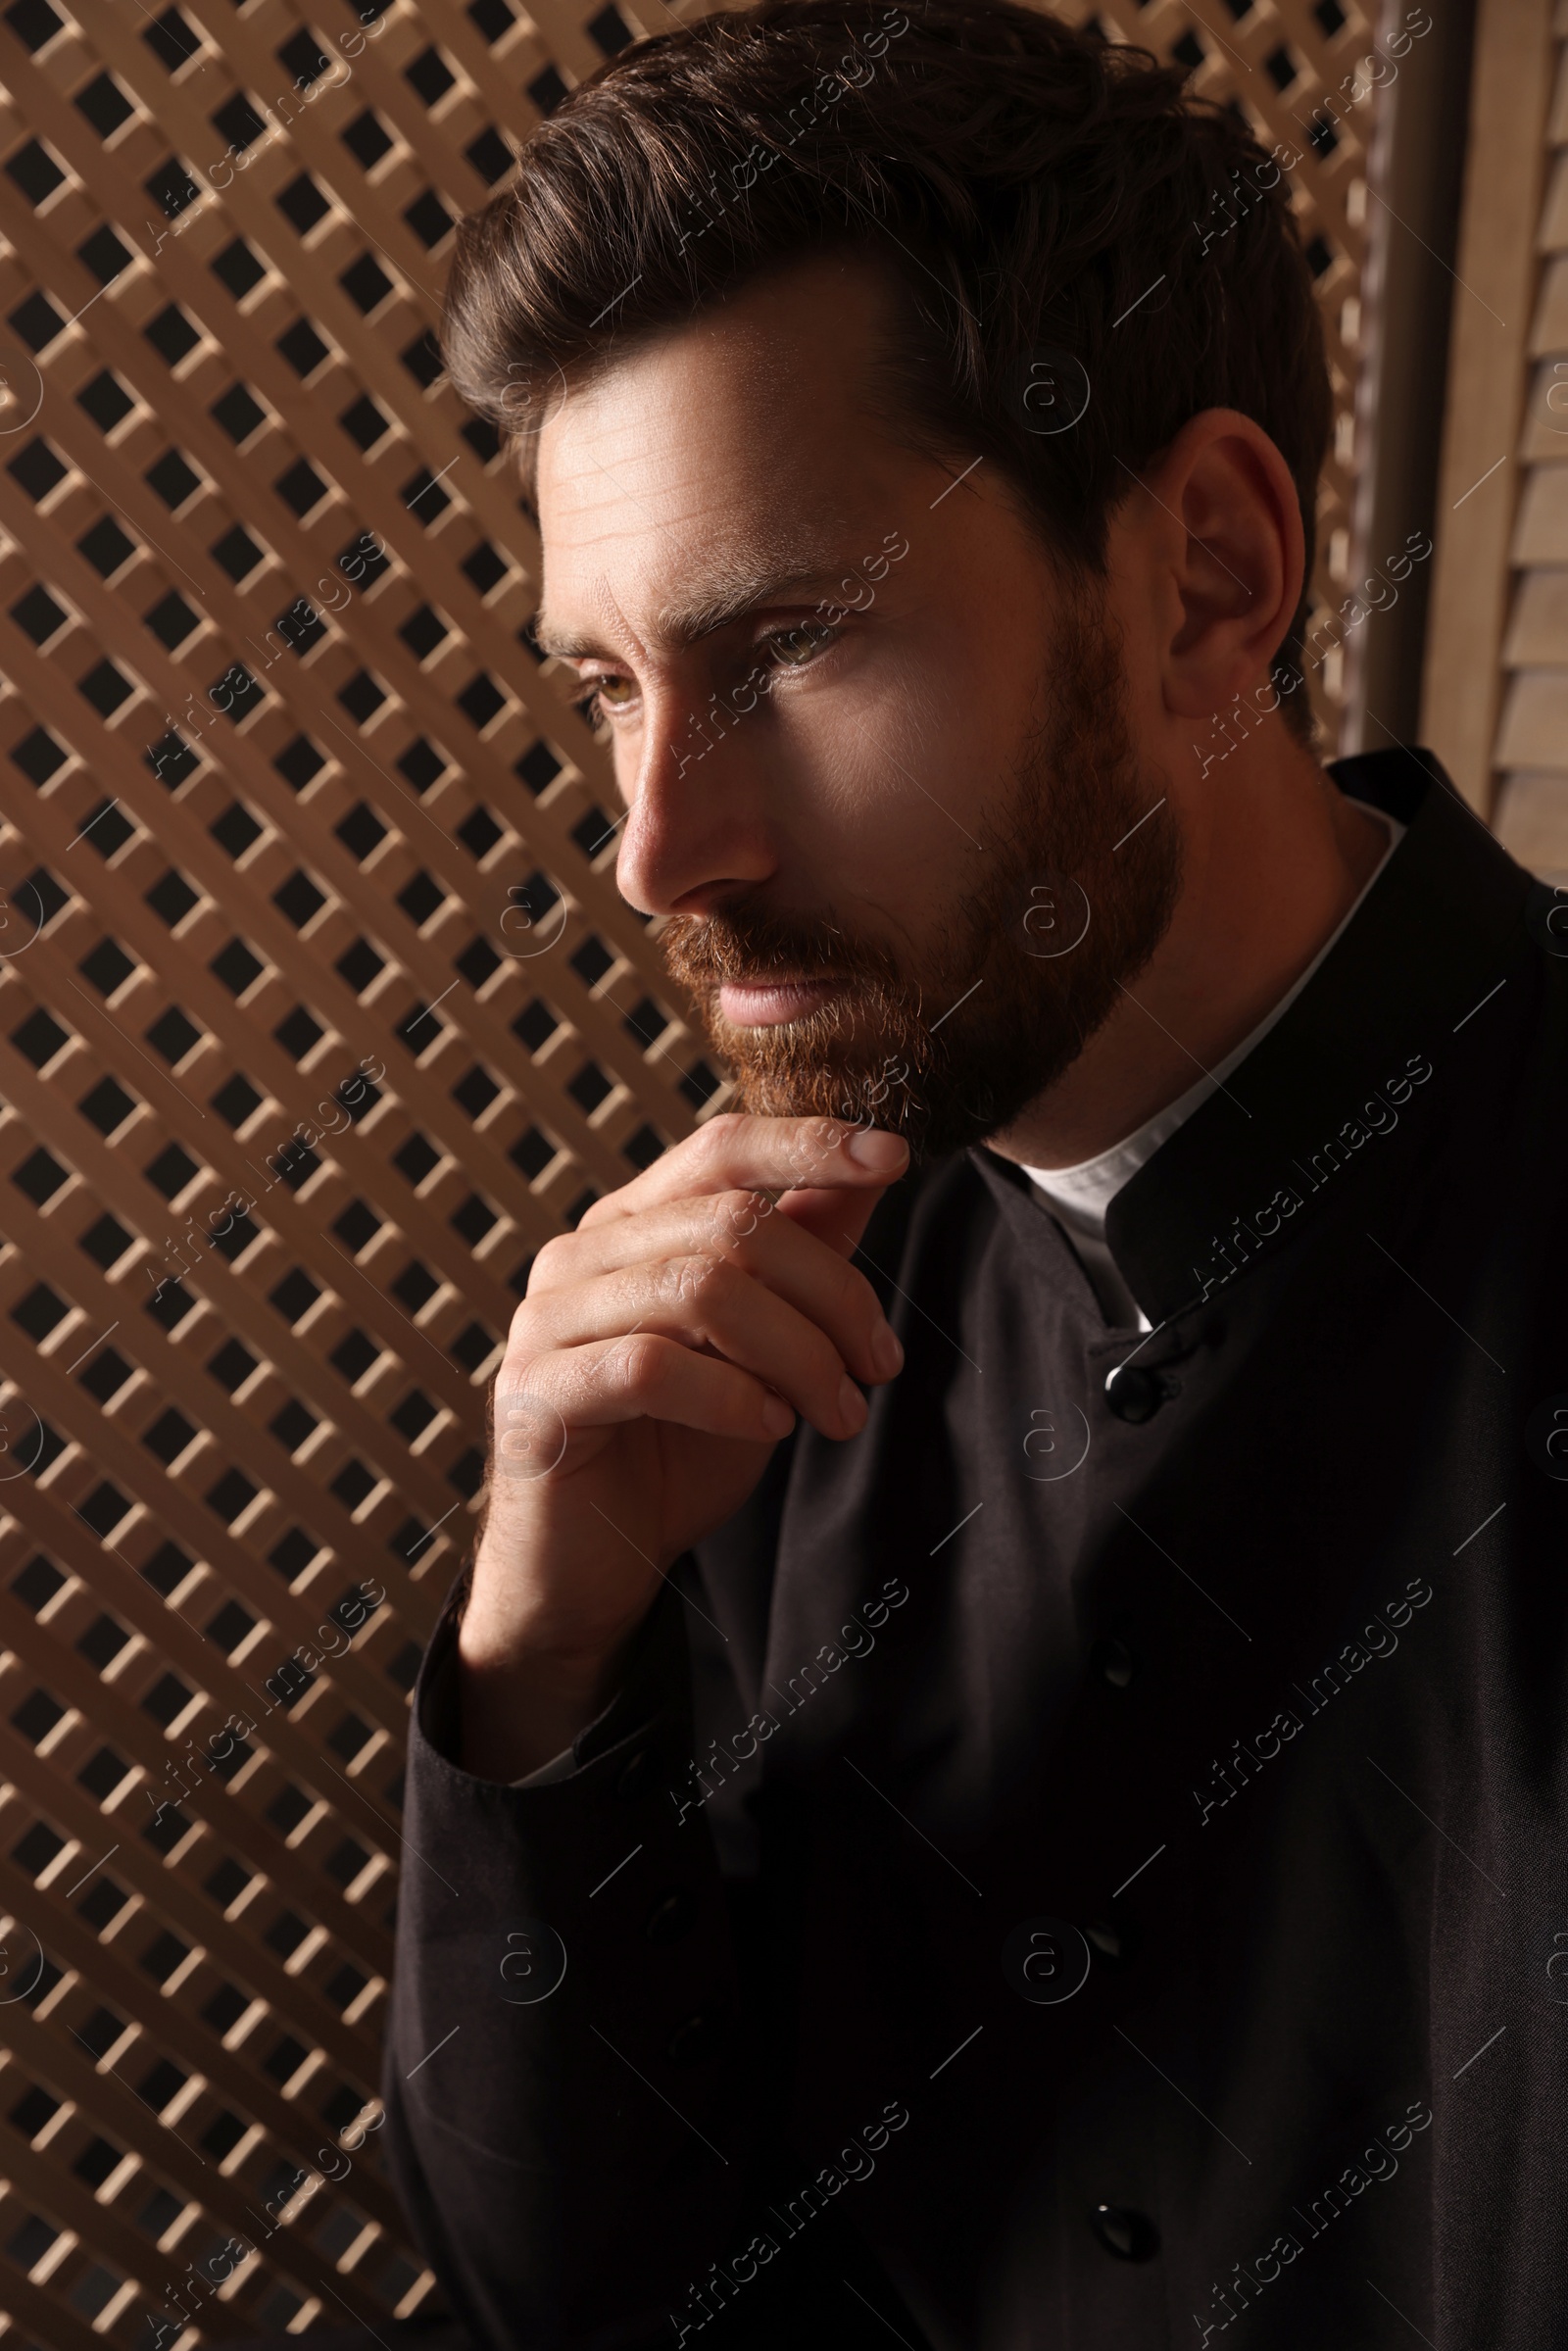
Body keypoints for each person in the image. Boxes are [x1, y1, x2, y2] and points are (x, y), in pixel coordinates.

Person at [364, 3, 1568, 2346]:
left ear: (1209, 579)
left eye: (789, 643)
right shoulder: (749, 1327)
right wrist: (537, 1662)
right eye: (604, 686)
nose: (651, 848)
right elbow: (580, 2288)